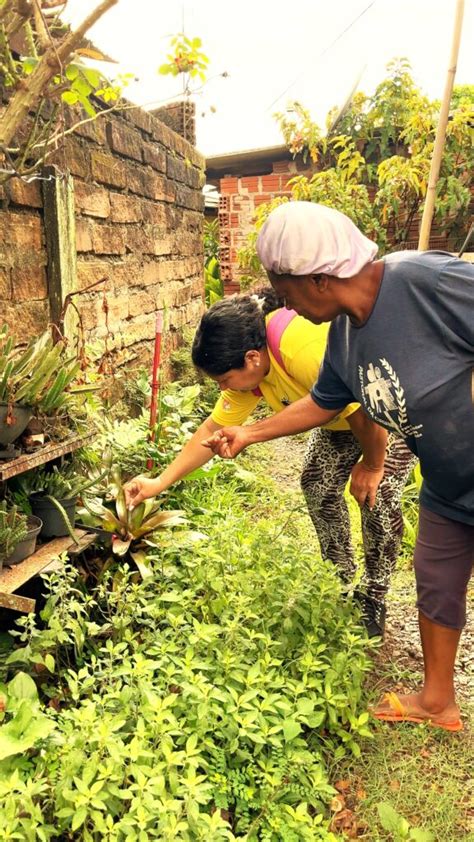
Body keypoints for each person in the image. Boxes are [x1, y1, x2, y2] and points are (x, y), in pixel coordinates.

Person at [203, 201, 473, 733]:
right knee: (436, 580)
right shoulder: (346, 335)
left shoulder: (425, 282)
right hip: (447, 482)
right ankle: (438, 701)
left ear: (320, 279)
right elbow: (326, 401)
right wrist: (249, 433)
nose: (283, 304)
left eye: (286, 290)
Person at [124, 290, 416, 636]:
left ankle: (373, 594)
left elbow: (363, 413)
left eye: (223, 380)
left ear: (251, 358)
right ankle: (337, 577)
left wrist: (371, 465)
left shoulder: (300, 347)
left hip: (385, 406)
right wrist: (159, 482)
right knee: (317, 482)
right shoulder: (250, 371)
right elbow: (211, 430)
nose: (223, 388)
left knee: (376, 496)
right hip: (341, 414)